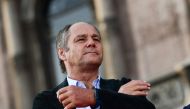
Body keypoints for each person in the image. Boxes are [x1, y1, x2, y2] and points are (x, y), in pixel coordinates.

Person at [32, 22, 156, 109]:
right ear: (62, 53)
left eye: (96, 39)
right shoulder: (46, 101)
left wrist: (94, 97)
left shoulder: (123, 85)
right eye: (81, 39)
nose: (91, 42)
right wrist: (118, 99)